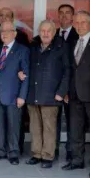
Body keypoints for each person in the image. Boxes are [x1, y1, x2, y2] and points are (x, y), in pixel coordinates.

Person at [25, 20, 70, 169]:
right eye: (42, 31)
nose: (45, 33)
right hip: (33, 93)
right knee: (35, 127)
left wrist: (61, 92)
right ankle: (36, 154)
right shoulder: (33, 46)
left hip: (51, 95)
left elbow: (67, 71)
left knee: (49, 128)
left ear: (54, 32)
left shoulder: (61, 47)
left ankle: (47, 156)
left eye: (48, 31)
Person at [64, 11, 90, 177]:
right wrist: (66, 90)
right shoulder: (72, 41)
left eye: (83, 22)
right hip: (74, 94)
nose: (79, 25)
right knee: (75, 129)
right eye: (76, 22)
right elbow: (69, 69)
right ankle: (77, 160)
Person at [0, 7, 31, 154]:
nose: (4, 34)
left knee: (13, 125)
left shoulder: (22, 50)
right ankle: (0, 150)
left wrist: (22, 96)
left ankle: (13, 152)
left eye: (8, 31)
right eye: (2, 31)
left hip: (14, 95)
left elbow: (26, 74)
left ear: (15, 33)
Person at [56, 3, 78, 161]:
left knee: (72, 121)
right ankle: (53, 148)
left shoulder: (79, 35)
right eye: (61, 13)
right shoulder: (53, 34)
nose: (64, 16)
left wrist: (67, 90)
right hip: (53, 87)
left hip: (72, 87)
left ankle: (71, 150)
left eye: (67, 13)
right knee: (54, 120)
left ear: (73, 16)